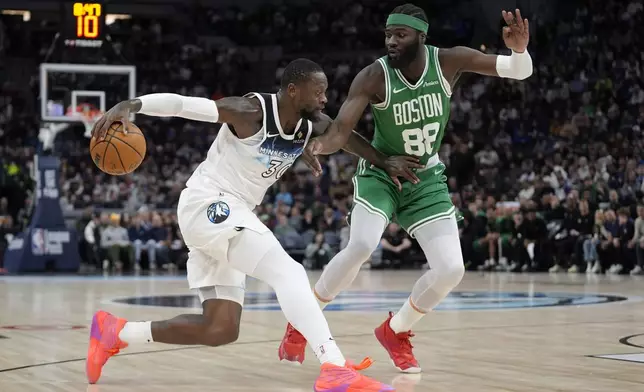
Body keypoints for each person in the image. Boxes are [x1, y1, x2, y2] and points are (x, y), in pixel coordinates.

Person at [86, 58, 420, 391]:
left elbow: (344, 138)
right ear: (293, 90)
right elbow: (184, 105)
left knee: (219, 329)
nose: (323, 99)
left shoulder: (309, 125)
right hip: (209, 202)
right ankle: (333, 366)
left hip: (232, 213)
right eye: (318, 92)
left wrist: (383, 161)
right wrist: (134, 105)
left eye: (325, 93)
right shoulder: (250, 112)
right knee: (288, 272)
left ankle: (115, 332)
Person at [280, 4, 533, 374]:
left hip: (424, 177)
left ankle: (395, 330)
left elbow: (519, 72)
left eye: (400, 35)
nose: (391, 42)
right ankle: (303, 319)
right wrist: (317, 146)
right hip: (381, 174)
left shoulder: (449, 61)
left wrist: (519, 50)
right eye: (387, 35)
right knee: (362, 244)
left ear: (421, 36)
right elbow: (339, 132)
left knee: (451, 270)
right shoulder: (373, 76)